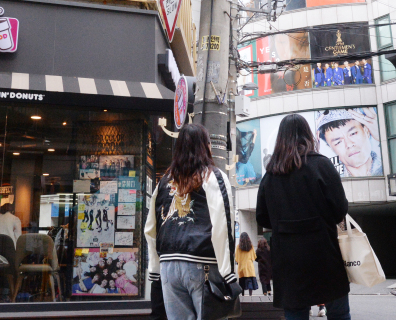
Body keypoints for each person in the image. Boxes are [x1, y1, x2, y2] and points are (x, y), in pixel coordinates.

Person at [256, 114, 350, 320]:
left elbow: (262, 217)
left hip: (288, 261)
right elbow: (340, 209)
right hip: (324, 253)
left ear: (280, 139)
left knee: (295, 314)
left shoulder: (270, 175)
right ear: (307, 135)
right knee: (339, 312)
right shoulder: (322, 165)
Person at [144, 124, 237, 320]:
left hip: (168, 264)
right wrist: (228, 273)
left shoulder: (164, 180)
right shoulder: (213, 176)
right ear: (206, 146)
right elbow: (223, 223)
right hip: (201, 263)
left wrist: (154, 269)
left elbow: (151, 227)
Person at [316, 108, 383, 177]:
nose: (349, 144)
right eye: (338, 142)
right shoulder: (329, 178)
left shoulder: (389, 164)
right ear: (330, 148)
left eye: (353, 133)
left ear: (366, 131)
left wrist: (383, 137)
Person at [236, 232, 258, 296]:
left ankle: (243, 295)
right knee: (250, 281)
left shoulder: (238, 247)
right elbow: (254, 257)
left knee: (242, 282)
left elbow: (237, 258)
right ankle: (250, 295)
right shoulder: (251, 246)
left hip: (242, 266)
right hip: (249, 266)